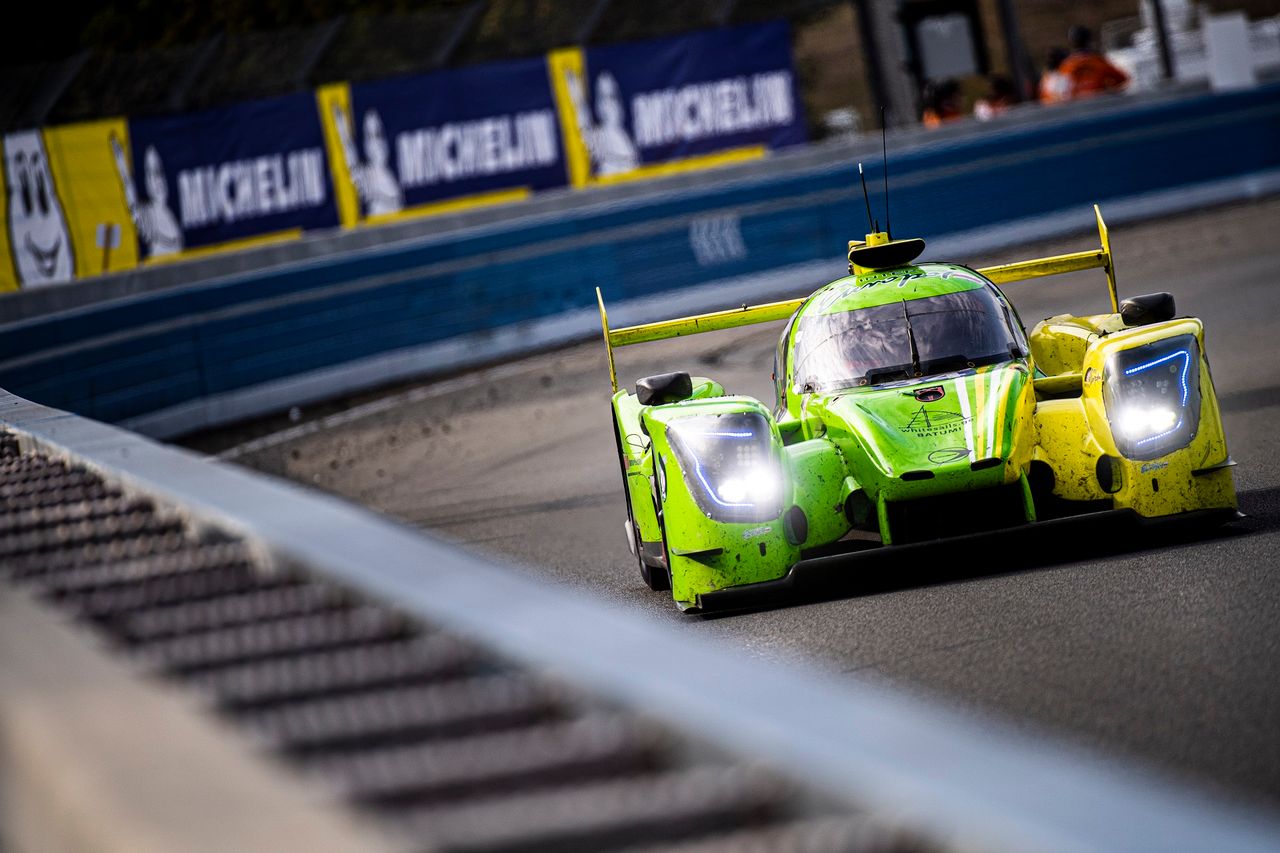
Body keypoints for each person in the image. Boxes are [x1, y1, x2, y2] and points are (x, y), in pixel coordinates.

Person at [1059, 25, 1129, 99]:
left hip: (1078, 107)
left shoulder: (1066, 66)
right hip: (1099, 104)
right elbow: (1122, 79)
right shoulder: (1098, 61)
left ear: (1071, 42)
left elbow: (1061, 93)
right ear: (1089, 41)